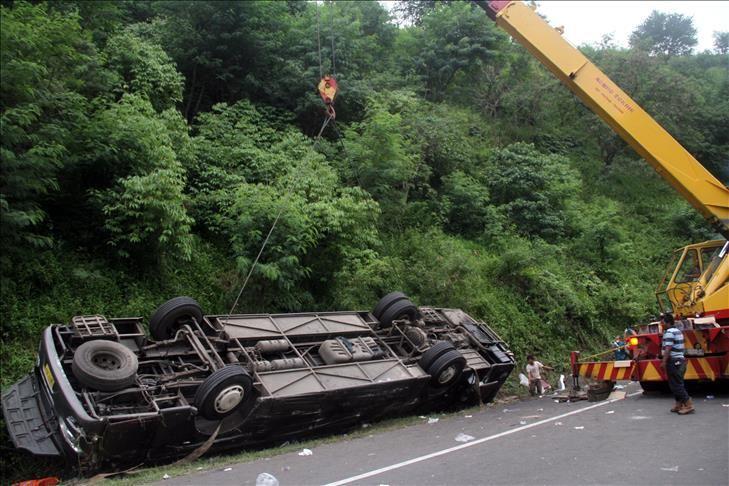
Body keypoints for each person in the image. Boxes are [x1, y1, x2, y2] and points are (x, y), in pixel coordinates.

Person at [661, 313, 694, 414]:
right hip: (680, 360)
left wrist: (663, 362)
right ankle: (678, 404)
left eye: (662, 322)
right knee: (676, 383)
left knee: (676, 385)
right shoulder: (678, 331)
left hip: (674, 361)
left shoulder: (669, 332)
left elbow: (668, 348)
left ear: (667, 322)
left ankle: (688, 405)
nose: (661, 324)